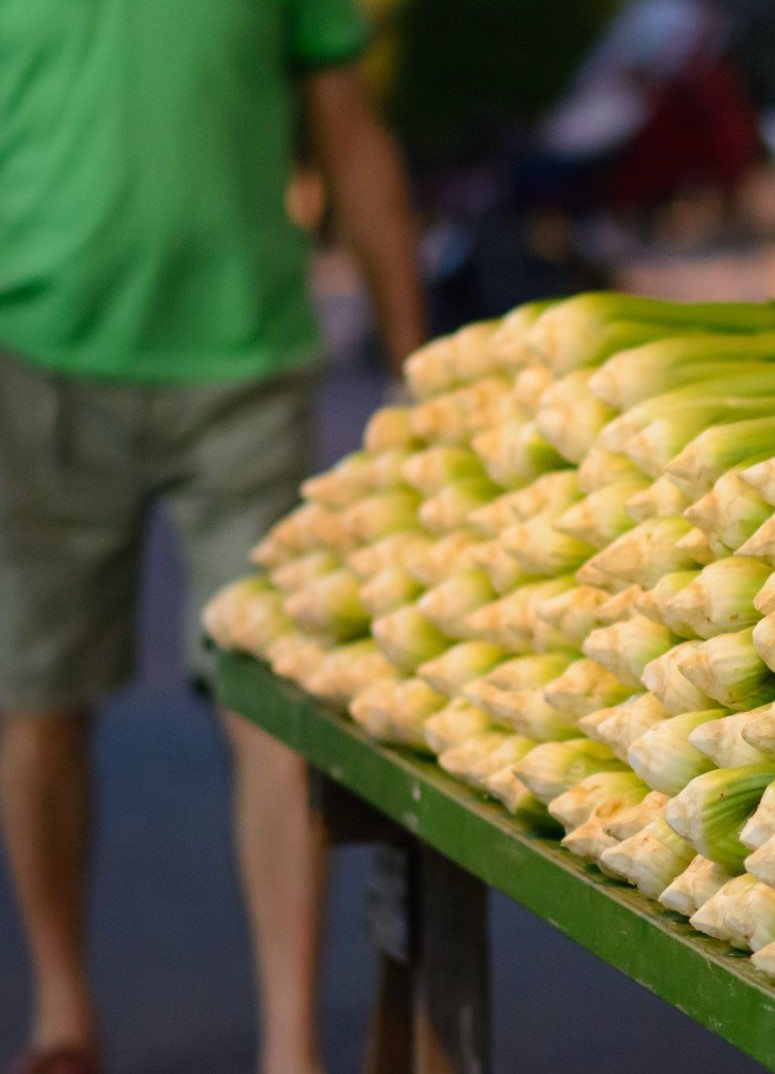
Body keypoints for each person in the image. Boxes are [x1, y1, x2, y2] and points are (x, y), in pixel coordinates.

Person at [0, 2, 427, 1072]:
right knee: (37, 701)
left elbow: (349, 129)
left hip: (245, 365)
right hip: (34, 360)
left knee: (272, 710)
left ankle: (289, 1044)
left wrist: (418, 366)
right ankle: (62, 1008)